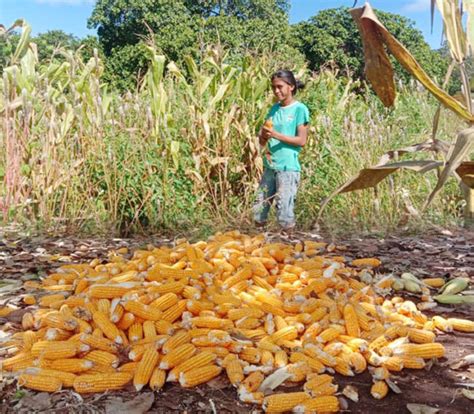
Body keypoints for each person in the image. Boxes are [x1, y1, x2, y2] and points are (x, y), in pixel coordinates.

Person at [253, 69, 310, 233]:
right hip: (270, 166)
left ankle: (289, 247)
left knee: (284, 210)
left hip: (288, 168)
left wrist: (276, 135)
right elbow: (263, 139)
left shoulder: (300, 109)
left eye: (280, 87)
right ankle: (259, 244)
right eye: (273, 88)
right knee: (258, 208)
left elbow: (301, 140)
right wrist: (263, 136)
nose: (276, 91)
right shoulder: (274, 109)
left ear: (291, 86)